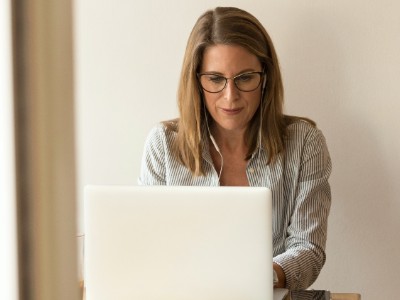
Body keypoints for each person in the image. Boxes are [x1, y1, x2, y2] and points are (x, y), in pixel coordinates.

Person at [139, 6, 331, 290]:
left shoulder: (305, 143)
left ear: (265, 77)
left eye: (244, 78)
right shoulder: (163, 145)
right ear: (196, 81)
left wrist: (259, 278)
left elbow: (308, 249)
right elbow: (148, 247)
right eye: (216, 79)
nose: (231, 97)